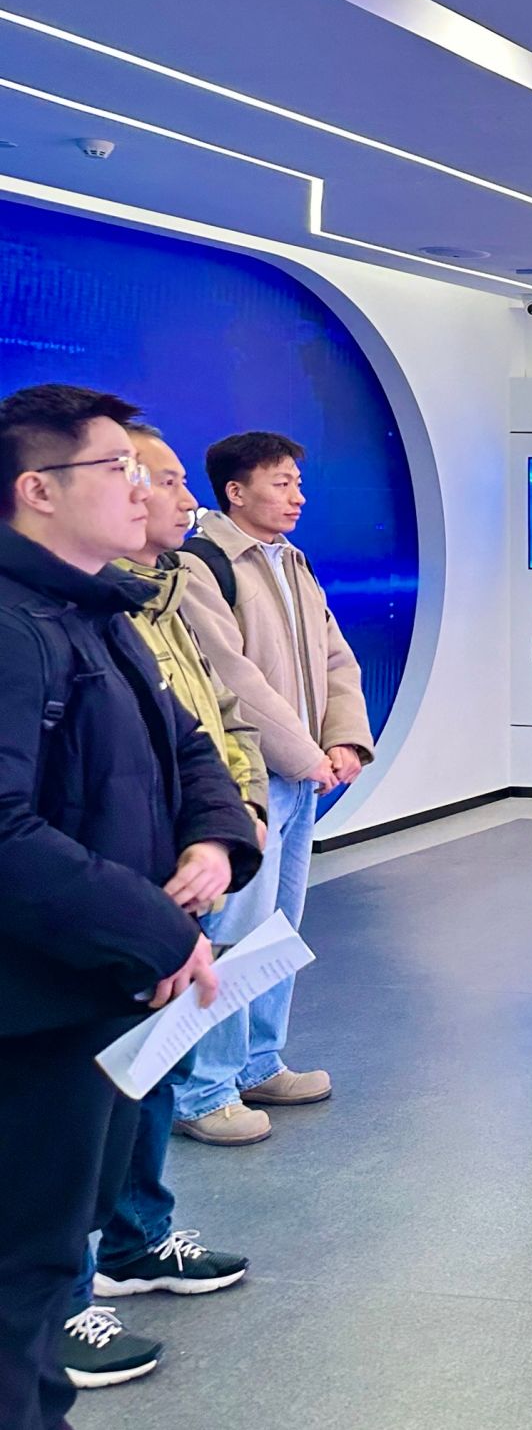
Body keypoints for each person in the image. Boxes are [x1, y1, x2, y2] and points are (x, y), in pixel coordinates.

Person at [0, 384, 260, 1428]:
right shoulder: (15, 626)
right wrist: (158, 930)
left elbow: (186, 744)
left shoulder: (98, 611)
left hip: (104, 990)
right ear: (38, 489)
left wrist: (215, 838)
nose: (143, 489)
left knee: (51, 1251)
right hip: (39, 1009)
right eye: (118, 469)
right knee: (24, 1268)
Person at [59, 424, 270, 1392]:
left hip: (176, 878)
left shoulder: (151, 599)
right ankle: (60, 1298)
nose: (178, 498)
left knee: (146, 1074)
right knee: (76, 1103)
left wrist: (225, 827)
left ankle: (135, 1238)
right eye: (152, 476)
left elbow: (203, 728)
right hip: (103, 900)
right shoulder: (54, 617)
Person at [170, 431, 375, 1143]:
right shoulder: (204, 565)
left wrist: (344, 739)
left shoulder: (292, 562)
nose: (298, 497)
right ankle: (204, 1090)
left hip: (301, 777)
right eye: (282, 482)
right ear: (236, 490)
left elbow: (337, 657)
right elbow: (234, 677)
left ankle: (258, 1062)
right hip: (247, 781)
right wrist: (305, 754)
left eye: (298, 483)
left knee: (277, 927)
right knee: (233, 931)